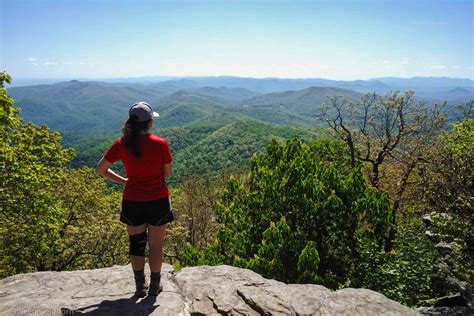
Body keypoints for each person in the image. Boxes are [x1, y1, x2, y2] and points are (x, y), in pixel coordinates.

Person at [95, 101, 174, 297]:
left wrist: (123, 181)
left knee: (136, 244)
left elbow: (100, 169)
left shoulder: (121, 144)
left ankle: (140, 287)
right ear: (149, 123)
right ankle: (155, 286)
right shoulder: (160, 144)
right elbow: (168, 174)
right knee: (156, 246)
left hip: (132, 201)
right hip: (158, 200)